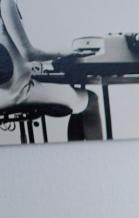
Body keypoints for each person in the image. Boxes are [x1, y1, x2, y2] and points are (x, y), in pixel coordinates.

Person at [0, 0, 102, 140]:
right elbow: (29, 54)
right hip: (20, 94)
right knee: (91, 100)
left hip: (3, 96)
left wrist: (27, 67)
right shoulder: (6, 2)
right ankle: (92, 158)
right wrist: (68, 52)